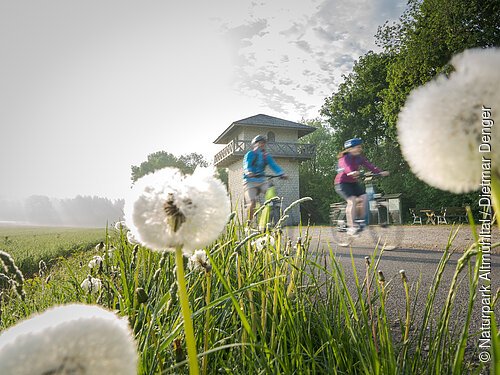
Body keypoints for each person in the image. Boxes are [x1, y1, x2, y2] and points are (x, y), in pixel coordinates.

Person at [334, 138, 389, 235]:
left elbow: (369, 165)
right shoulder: (344, 158)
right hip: (342, 183)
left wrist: (380, 172)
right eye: (358, 147)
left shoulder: (359, 158)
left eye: (360, 147)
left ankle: (360, 220)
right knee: (352, 200)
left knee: (365, 197)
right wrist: (351, 172)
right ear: (350, 149)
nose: (360, 149)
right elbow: (346, 166)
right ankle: (351, 227)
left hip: (353, 183)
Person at [243, 134, 288, 221]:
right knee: (252, 203)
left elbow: (274, 165)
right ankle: (248, 223)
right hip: (250, 181)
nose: (262, 144)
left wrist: (282, 173)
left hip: (261, 181)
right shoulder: (250, 154)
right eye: (260, 143)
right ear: (255, 144)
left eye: (263, 143)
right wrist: (248, 171)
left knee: (272, 195)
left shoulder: (266, 156)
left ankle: (268, 220)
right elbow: (246, 164)